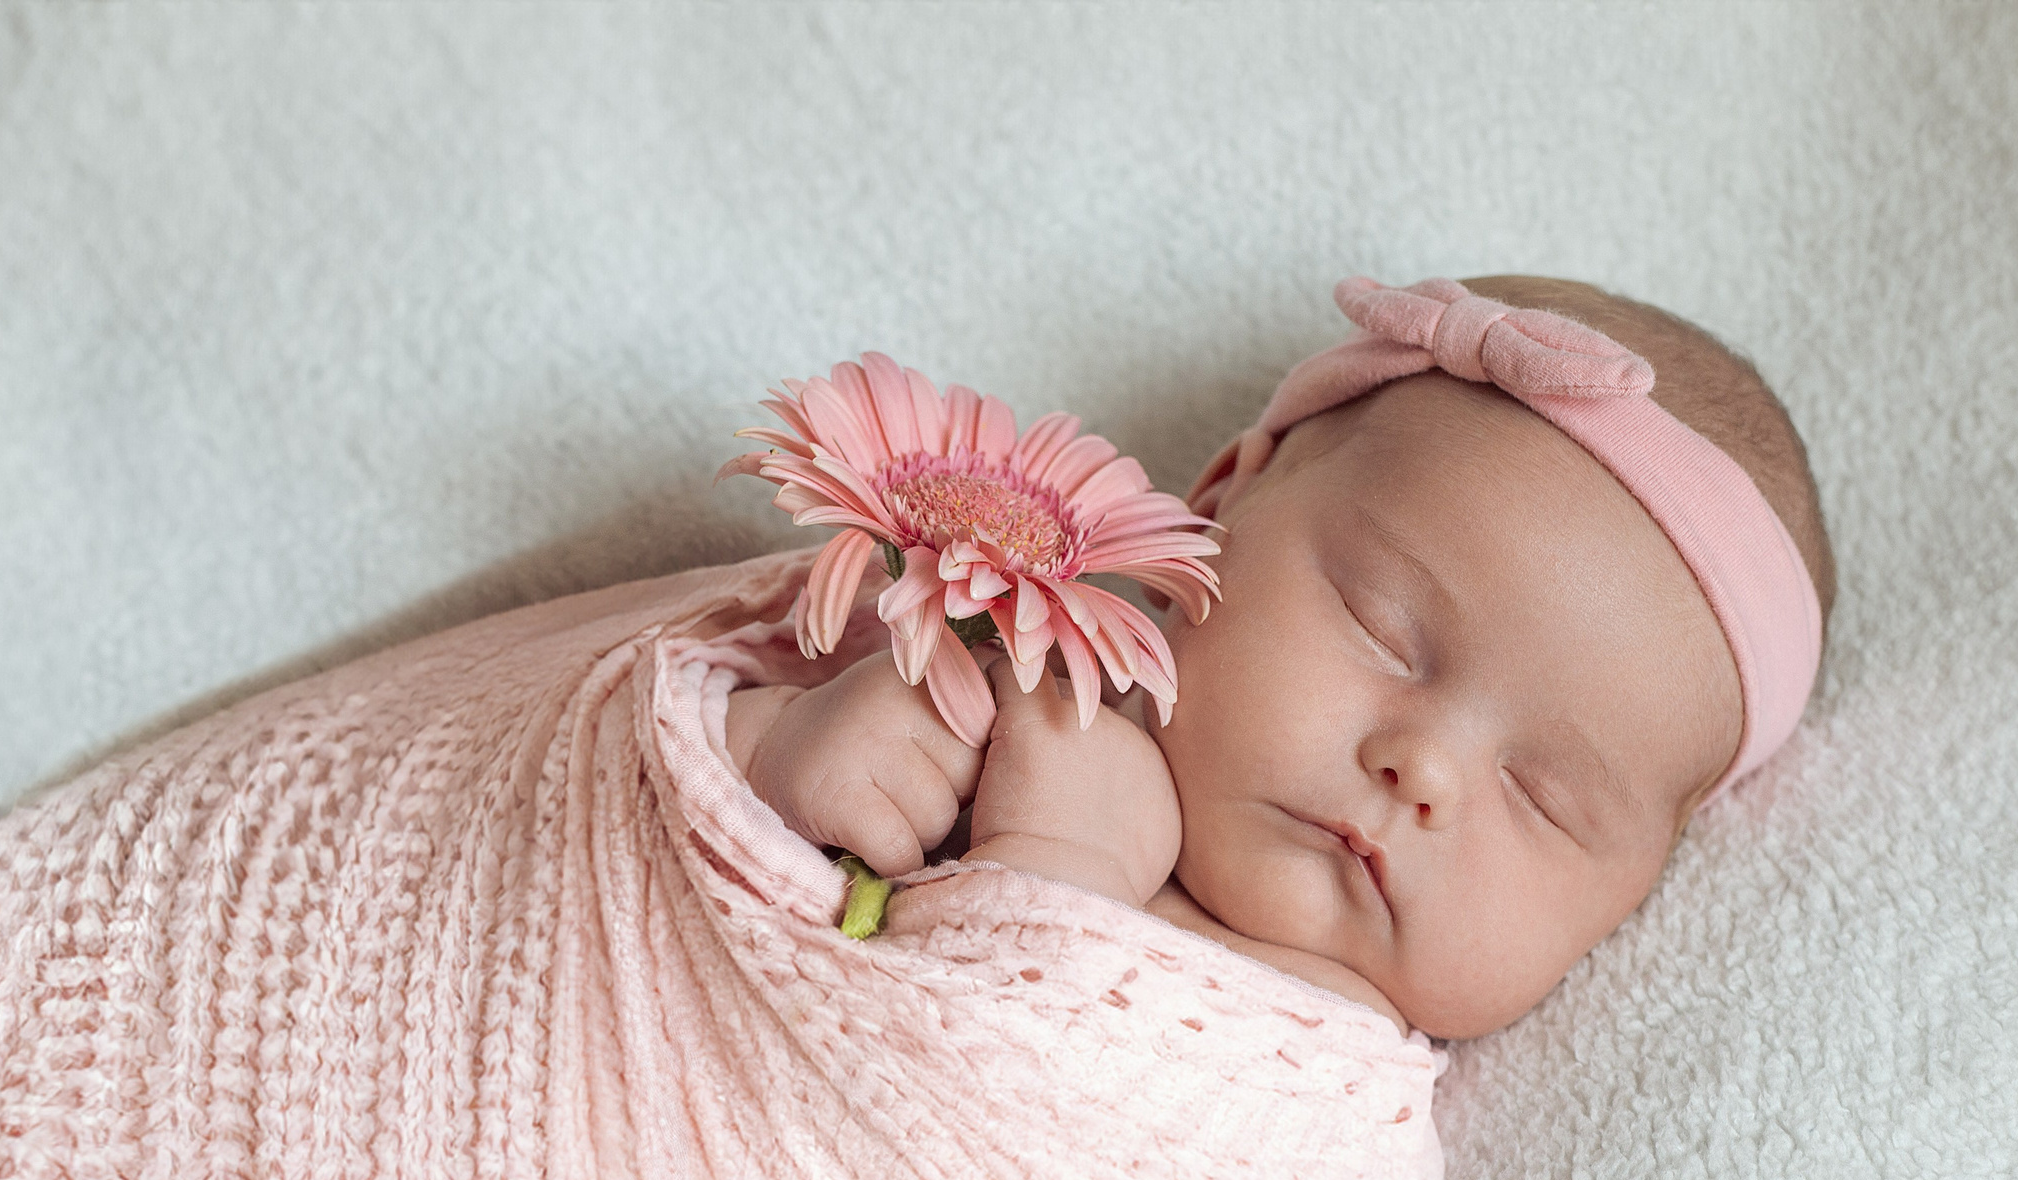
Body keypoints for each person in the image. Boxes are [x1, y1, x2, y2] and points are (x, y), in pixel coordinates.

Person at [723, 274, 1835, 1039]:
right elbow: (588, 743)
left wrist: (1058, 875)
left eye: (1544, 796)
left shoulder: (1340, 1094)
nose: (1425, 770)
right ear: (1217, 504)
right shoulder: (959, 656)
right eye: (1381, 626)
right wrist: (768, 754)